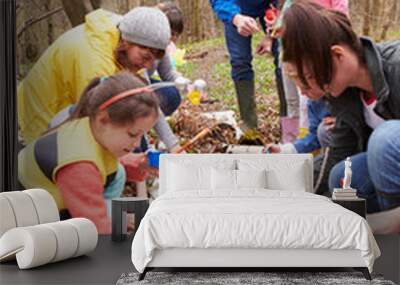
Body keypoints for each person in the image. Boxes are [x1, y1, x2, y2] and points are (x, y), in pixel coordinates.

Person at [281, 2, 400, 216]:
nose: (311, 88)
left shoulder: (396, 65)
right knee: (343, 176)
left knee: (385, 141)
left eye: (310, 77)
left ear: (338, 55)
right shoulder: (344, 95)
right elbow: (338, 153)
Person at [18, 7, 180, 153]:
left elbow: (144, 95)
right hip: (39, 124)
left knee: (167, 94)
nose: (148, 65)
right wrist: (132, 154)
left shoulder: (125, 32)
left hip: (78, 105)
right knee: (132, 150)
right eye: (145, 57)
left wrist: (173, 145)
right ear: (127, 42)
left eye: (153, 60)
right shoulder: (94, 62)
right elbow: (98, 124)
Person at [18, 72, 159, 234]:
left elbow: (106, 158)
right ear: (103, 120)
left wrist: (139, 164)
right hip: (26, 220)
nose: (137, 143)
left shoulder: (92, 129)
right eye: (133, 134)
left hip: (50, 202)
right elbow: (95, 230)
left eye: (143, 135)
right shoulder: (79, 163)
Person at [210, 0, 284, 133]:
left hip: (272, 4)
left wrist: (271, 35)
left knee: (283, 56)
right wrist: (234, 17)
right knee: (240, 61)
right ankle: (249, 126)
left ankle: (288, 121)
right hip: (236, 6)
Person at [267, 98, 334, 154]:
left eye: (306, 87)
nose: (303, 92)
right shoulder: (313, 102)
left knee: (323, 130)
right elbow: (314, 136)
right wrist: (283, 150)